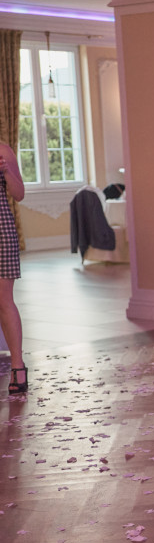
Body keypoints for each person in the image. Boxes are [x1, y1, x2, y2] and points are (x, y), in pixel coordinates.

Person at [0, 142, 26, 394]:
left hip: (1, 231)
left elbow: (19, 194)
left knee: (4, 300)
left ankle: (18, 366)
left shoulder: (2, 151)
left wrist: (7, 172)